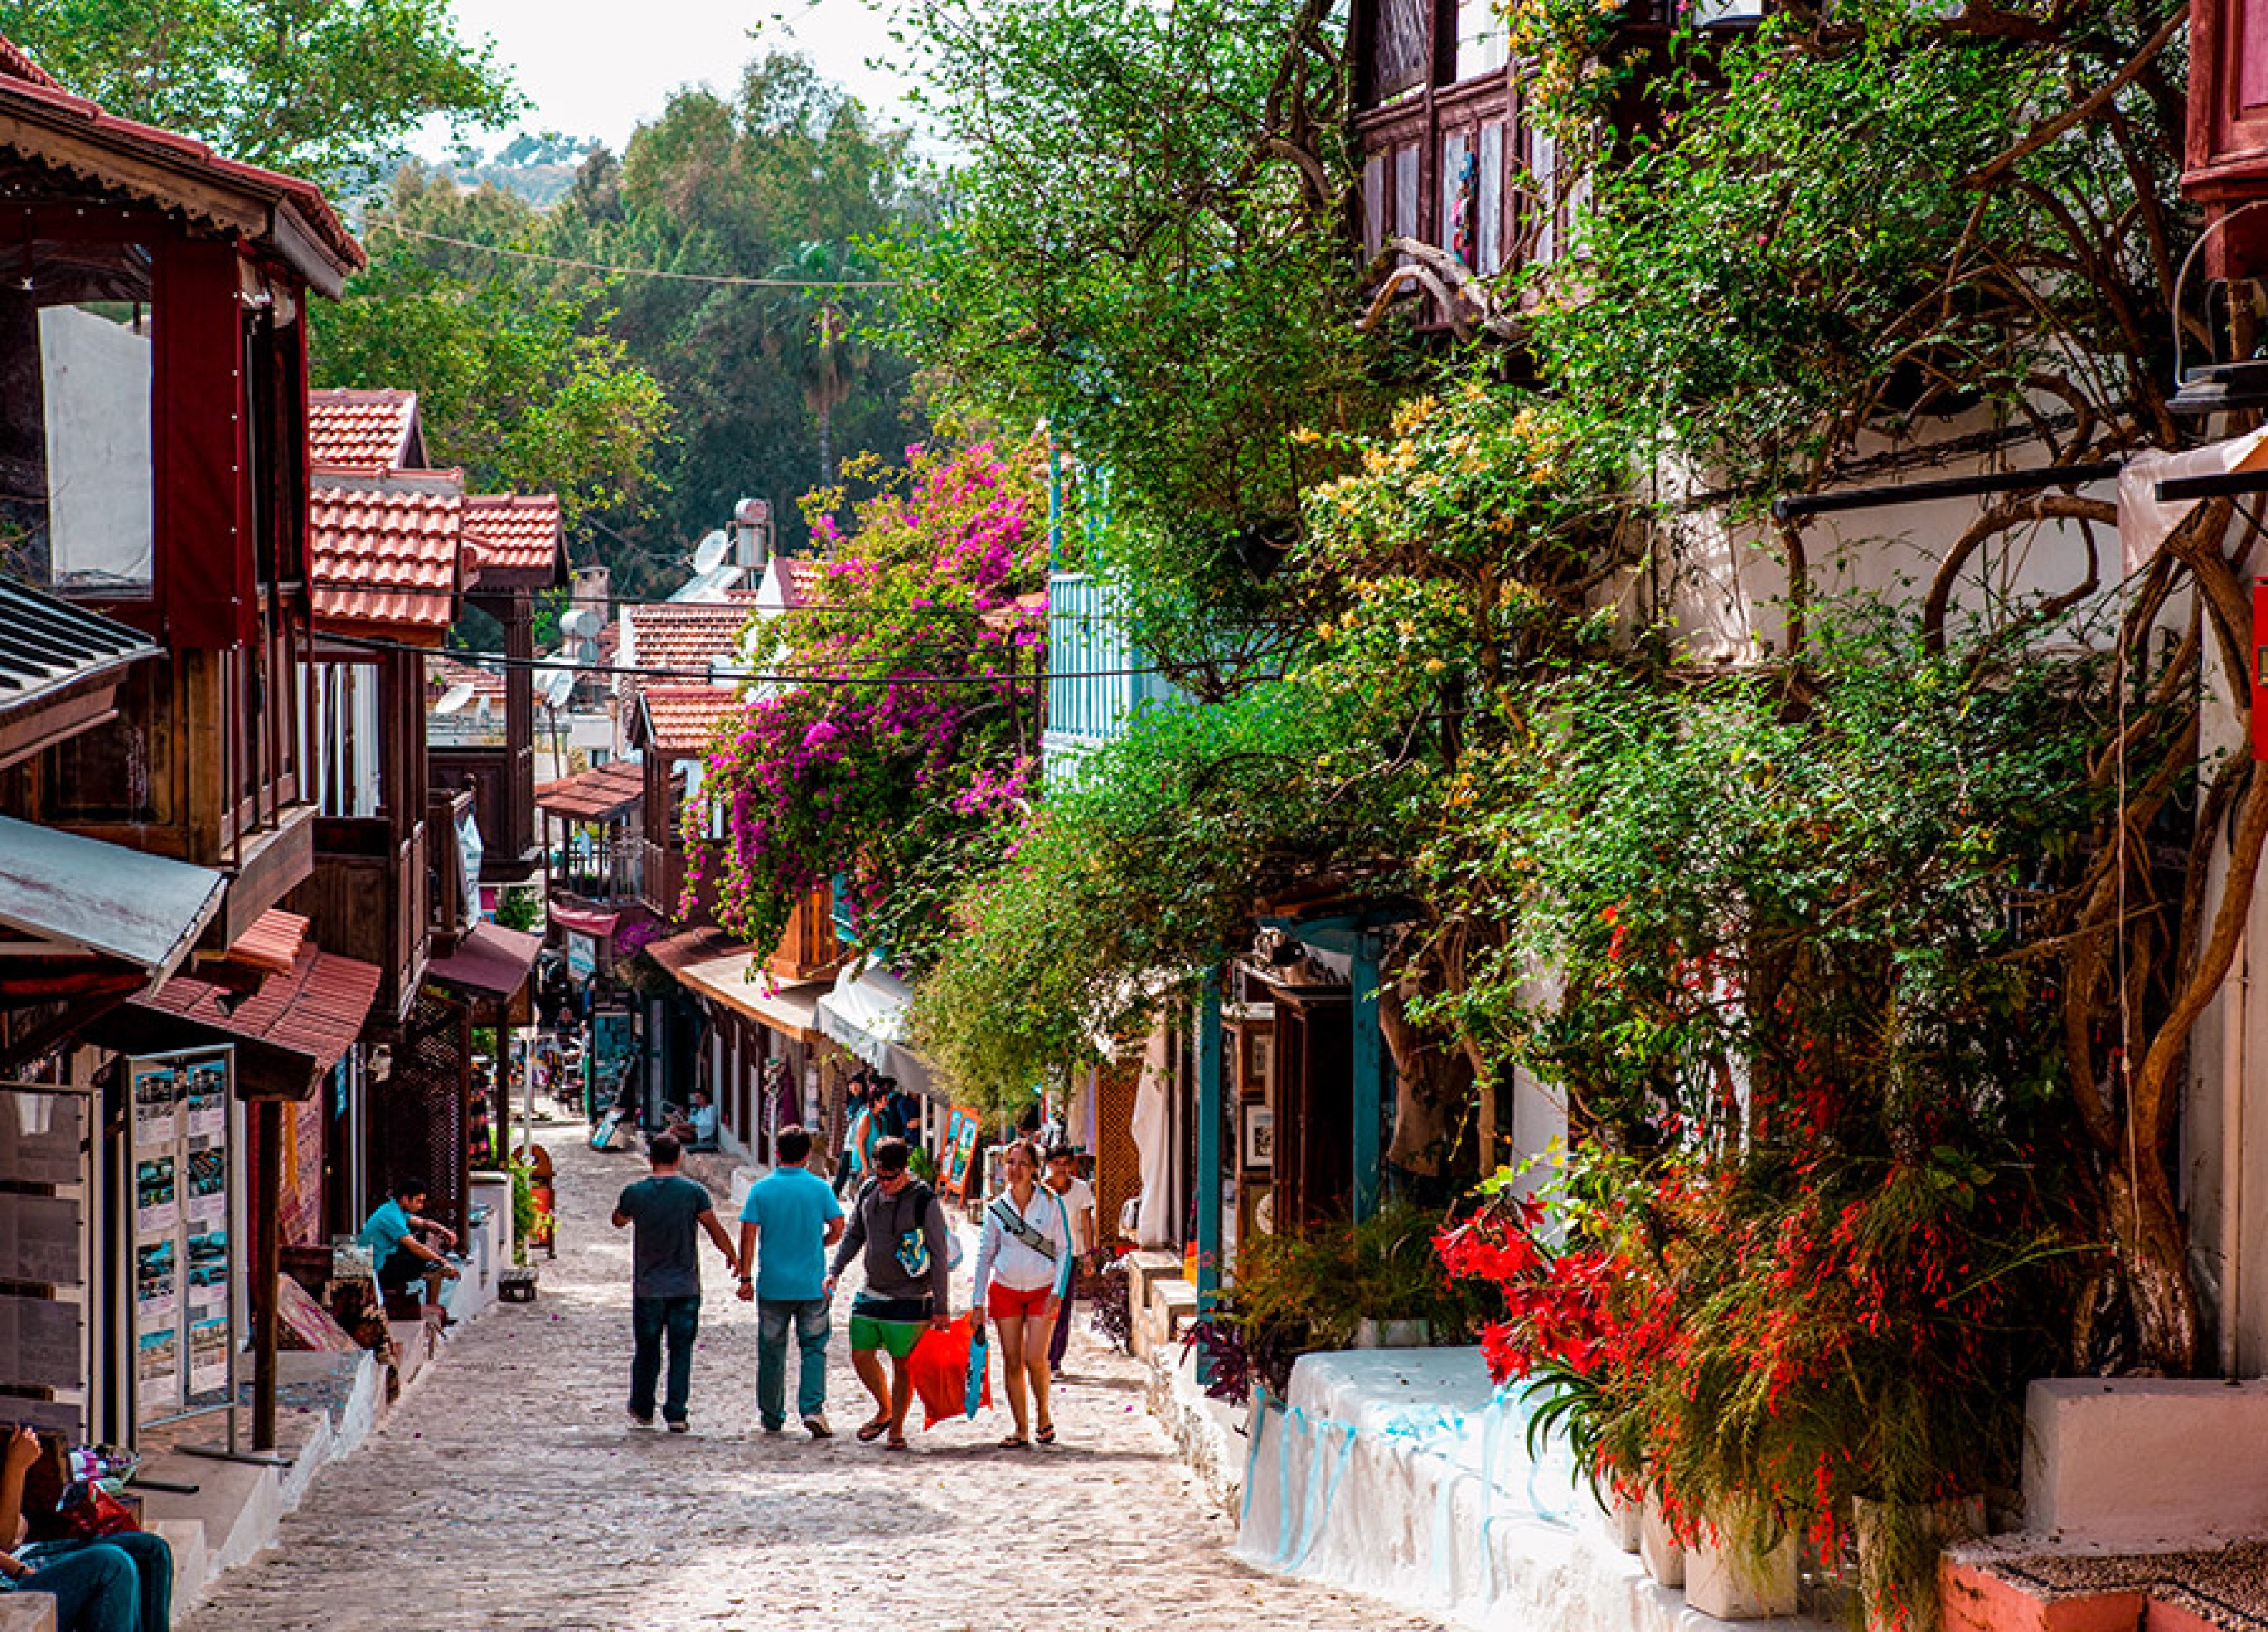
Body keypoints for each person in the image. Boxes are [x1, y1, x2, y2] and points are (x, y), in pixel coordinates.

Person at [825, 1137, 951, 1450]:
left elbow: (938, 1254)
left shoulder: (923, 1200)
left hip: (911, 1298)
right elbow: (855, 1234)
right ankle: (885, 1407)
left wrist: (941, 1307)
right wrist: (835, 1269)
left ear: (904, 1171)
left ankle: (896, 1428)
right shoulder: (869, 1191)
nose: (883, 1183)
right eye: (879, 1175)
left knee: (902, 1364)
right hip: (872, 1290)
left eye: (889, 1178)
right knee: (860, 1354)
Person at [612, 1133, 740, 1432]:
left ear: (650, 1158)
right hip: (685, 1285)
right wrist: (732, 1256)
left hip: (648, 1286)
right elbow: (713, 1227)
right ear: (679, 1157)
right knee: (681, 1351)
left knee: (647, 1349)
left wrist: (627, 1212)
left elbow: (618, 1220)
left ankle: (643, 1406)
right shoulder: (693, 1193)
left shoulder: (635, 1193)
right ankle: (677, 1412)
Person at [0, 1426, 171, 1632]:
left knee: (151, 1550)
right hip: (8, 1585)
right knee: (112, 1564)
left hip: (19, 1560)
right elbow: (6, 1540)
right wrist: (16, 1468)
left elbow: (16, 1532)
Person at [735, 1124, 845, 1437]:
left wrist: (745, 1276)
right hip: (812, 1284)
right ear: (808, 1155)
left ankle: (772, 1415)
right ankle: (812, 1408)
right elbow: (839, 1227)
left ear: (777, 1153)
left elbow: (748, 1234)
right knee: (814, 1348)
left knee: (771, 1351)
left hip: (773, 1285)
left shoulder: (761, 1190)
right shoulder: (820, 1189)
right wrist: (821, 1242)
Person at [971, 1140, 1076, 1448]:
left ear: (1034, 1170)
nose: (1015, 1170)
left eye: (1022, 1164)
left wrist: (1058, 1290)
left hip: (1042, 1290)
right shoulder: (995, 1210)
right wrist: (977, 1301)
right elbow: (984, 1255)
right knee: (1012, 1360)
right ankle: (1021, 1428)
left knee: (1035, 1359)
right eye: (1010, 1163)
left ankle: (1044, 1414)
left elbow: (1064, 1250)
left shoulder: (1051, 1204)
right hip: (1005, 1291)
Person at [358, 1178, 460, 1314]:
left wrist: (444, 1231)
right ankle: (430, 1307)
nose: (421, 1206)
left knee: (425, 1257)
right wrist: (442, 1261)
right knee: (424, 1260)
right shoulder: (391, 1216)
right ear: (406, 1199)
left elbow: (423, 1223)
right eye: (418, 1201)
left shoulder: (394, 1209)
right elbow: (415, 1246)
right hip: (376, 1265)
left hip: (385, 1258)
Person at [1041, 1143, 1099, 1372]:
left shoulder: (1081, 1190)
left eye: (1066, 1164)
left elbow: (1086, 1224)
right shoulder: (1039, 1191)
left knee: (1063, 1309)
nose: (1062, 1169)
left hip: (1069, 1258)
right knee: (1041, 1310)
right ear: (1049, 1165)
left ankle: (1054, 1360)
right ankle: (1040, 1356)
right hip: (1042, 1258)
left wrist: (1088, 1256)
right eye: (1057, 1164)